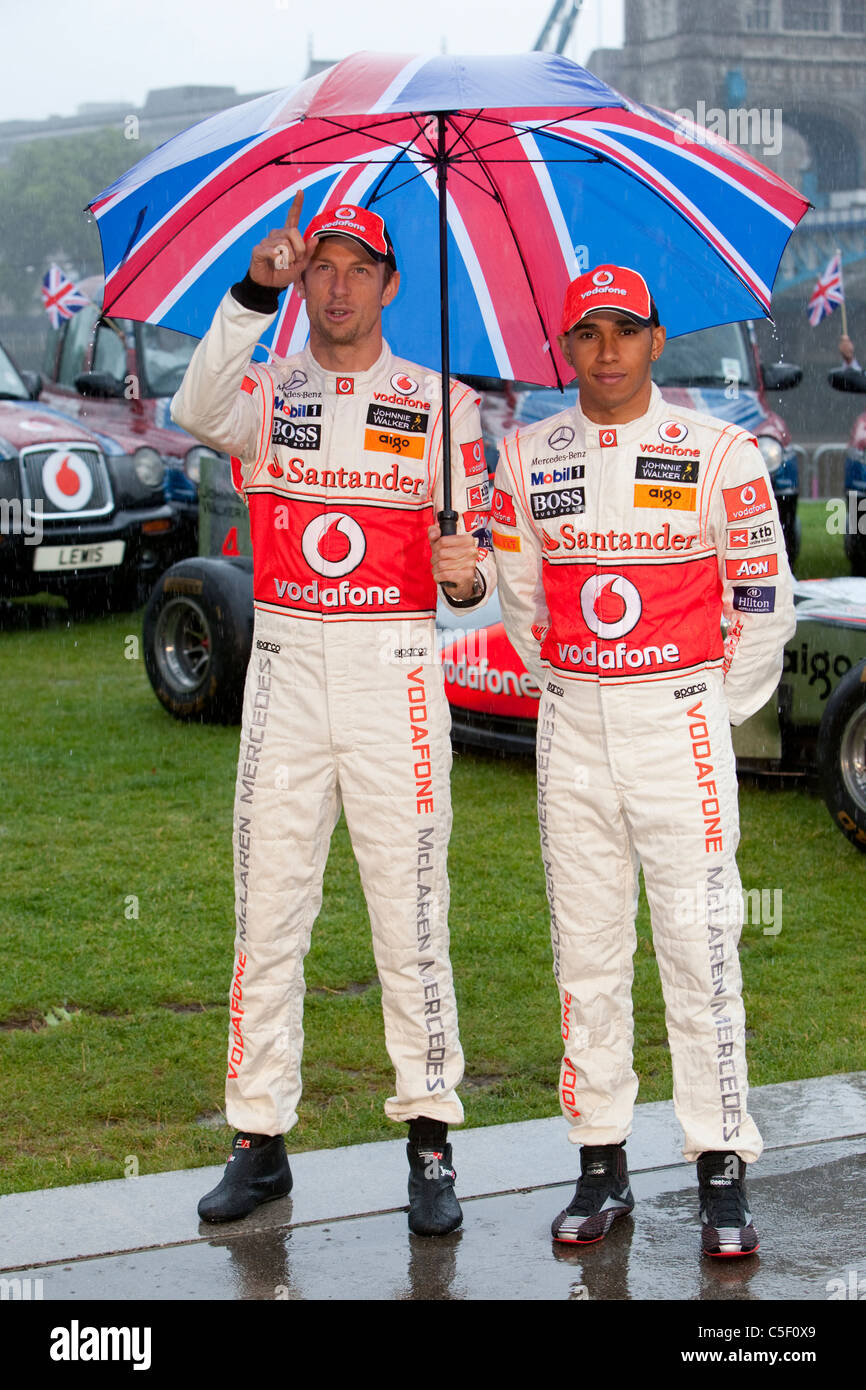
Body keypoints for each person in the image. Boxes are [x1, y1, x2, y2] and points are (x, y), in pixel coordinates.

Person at [172, 194, 494, 1236]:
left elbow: (474, 569)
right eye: (322, 268)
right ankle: (258, 1142)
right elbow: (191, 407)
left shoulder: (444, 403)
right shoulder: (263, 387)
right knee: (267, 915)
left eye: (360, 267)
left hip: (392, 667)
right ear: (303, 282)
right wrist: (249, 289)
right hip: (284, 664)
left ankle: (430, 1143)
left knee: (410, 912)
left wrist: (462, 576)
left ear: (391, 284)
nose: (340, 285)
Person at [491, 264, 795, 1256]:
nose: (606, 349)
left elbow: (762, 606)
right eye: (587, 333)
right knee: (585, 960)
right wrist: (582, 681)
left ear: (657, 340)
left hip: (680, 728)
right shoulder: (525, 454)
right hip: (573, 729)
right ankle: (599, 1165)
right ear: (564, 348)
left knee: (700, 954)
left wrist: (699, 703)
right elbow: (522, 605)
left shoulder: (719, 453)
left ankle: (719, 1171)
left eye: (625, 329)